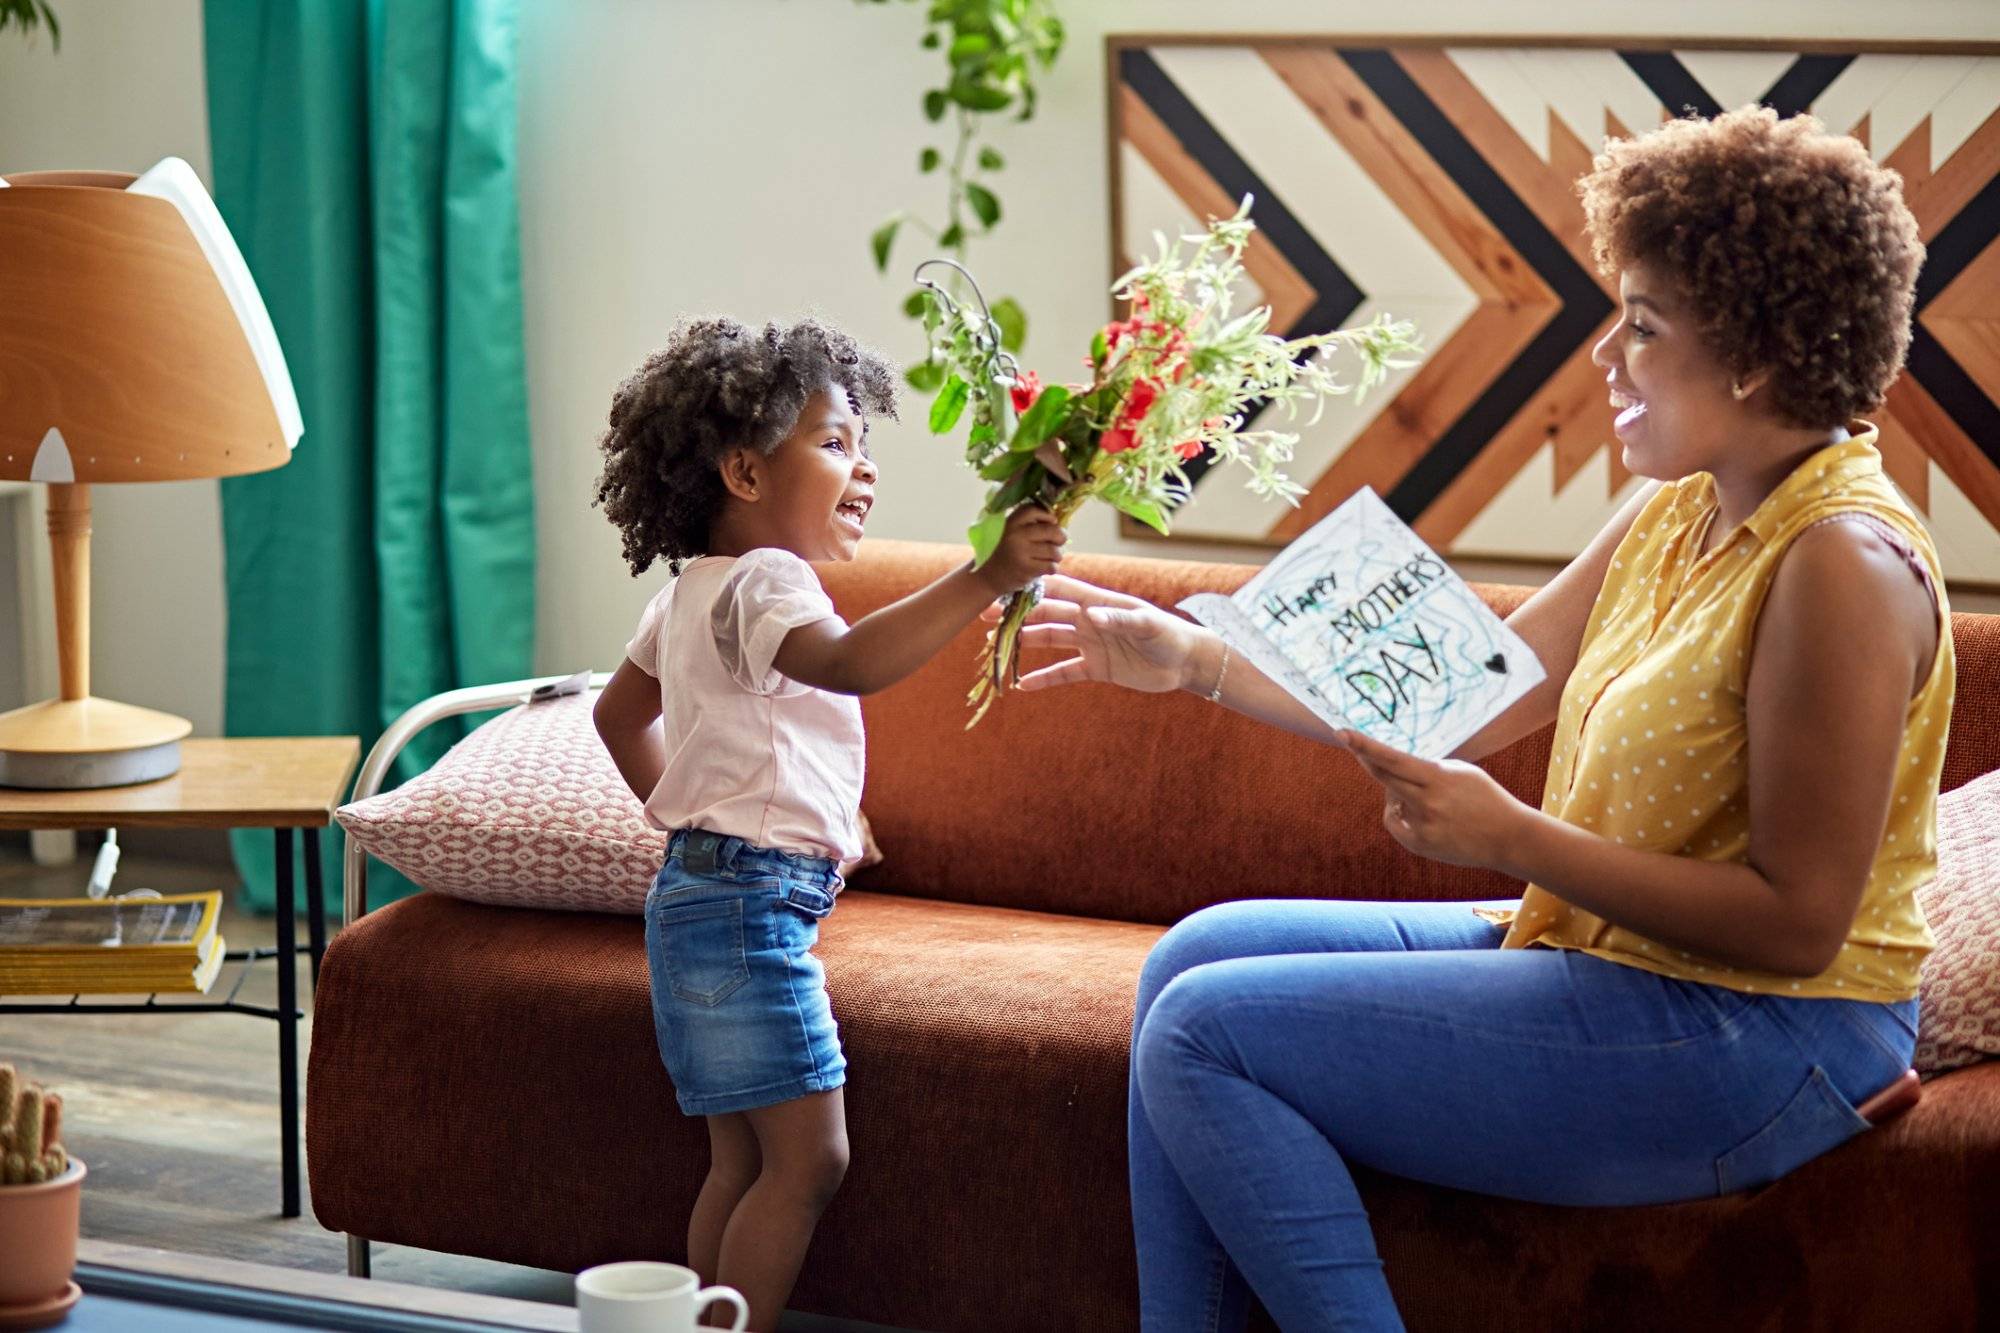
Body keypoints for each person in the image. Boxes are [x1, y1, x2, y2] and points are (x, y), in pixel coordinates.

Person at [1004, 106, 1945, 1330]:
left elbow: (1797, 924)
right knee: (1188, 956)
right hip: (1620, 961)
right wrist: (1194, 662)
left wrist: (1511, 840)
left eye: (1642, 325)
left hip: (1767, 1033)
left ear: (1752, 357)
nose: (1604, 352)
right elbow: (1479, 680)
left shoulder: (1838, 566)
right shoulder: (1687, 505)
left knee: (1201, 1031)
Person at [591, 316, 1063, 1330]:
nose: (865, 468)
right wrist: (984, 576)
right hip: (749, 909)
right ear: (744, 474)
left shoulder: (686, 595)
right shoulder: (769, 580)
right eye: (835, 441)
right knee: (810, 1159)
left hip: (698, 896)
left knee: (739, 1159)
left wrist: (695, 822)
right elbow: (846, 666)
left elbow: (617, 715)